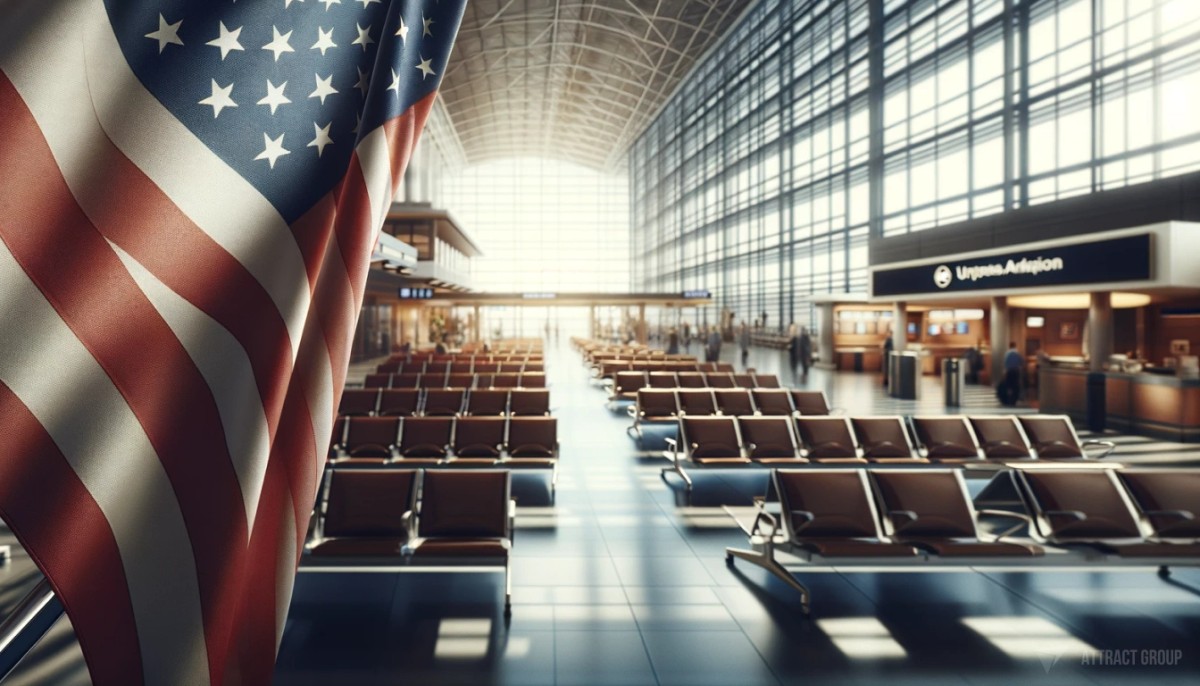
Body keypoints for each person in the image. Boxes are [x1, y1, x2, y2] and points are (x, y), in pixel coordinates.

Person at [999, 341, 1023, 406]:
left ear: (1009, 346)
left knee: (1008, 385)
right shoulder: (1017, 353)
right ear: (1015, 346)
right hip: (1016, 371)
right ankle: (1014, 400)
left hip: (1009, 371)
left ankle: (1007, 399)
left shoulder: (1007, 353)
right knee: (1015, 386)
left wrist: (1004, 372)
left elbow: (1005, 363)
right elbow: (1021, 363)